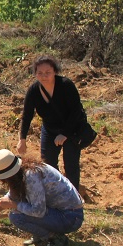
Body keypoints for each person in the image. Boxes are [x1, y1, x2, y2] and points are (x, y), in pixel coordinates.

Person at [0, 149, 84, 246]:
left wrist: (15, 205)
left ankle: (56, 238)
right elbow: (11, 197)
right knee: (20, 207)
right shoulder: (24, 170)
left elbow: (38, 211)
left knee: (16, 217)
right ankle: (41, 233)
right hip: (62, 212)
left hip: (70, 217)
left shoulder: (31, 177)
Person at [16, 55, 86, 190]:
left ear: (55, 71)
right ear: (35, 74)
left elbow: (76, 111)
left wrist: (65, 134)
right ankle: (56, 192)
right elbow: (27, 115)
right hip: (50, 129)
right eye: (40, 73)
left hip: (72, 128)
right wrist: (22, 139)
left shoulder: (66, 85)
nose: (44, 76)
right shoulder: (33, 90)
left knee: (71, 165)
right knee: (48, 165)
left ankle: (74, 196)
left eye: (48, 72)